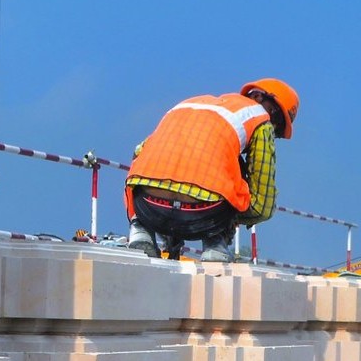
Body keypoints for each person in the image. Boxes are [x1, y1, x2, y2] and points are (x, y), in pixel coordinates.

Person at [123, 78, 299, 262]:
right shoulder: (260, 118)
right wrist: (233, 217)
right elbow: (263, 205)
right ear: (260, 100)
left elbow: (138, 152)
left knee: (143, 166)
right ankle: (215, 244)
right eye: (277, 124)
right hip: (203, 214)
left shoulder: (190, 104)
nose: (274, 130)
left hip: (147, 206)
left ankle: (140, 232)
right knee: (234, 170)